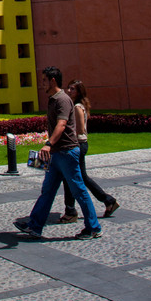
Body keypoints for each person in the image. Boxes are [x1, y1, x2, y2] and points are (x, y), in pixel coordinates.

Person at [13, 66, 102, 240]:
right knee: (47, 190)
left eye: (44, 80)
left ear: (53, 80)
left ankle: (93, 227)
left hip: (67, 152)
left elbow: (61, 125)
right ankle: (35, 225)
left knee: (79, 190)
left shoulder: (62, 100)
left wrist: (48, 144)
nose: (42, 84)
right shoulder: (53, 99)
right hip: (56, 154)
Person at [59, 80, 119, 223]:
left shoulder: (78, 107)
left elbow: (79, 129)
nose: (69, 91)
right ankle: (107, 200)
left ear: (79, 91)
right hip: (80, 144)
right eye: (69, 88)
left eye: (72, 89)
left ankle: (71, 211)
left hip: (77, 144)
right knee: (79, 177)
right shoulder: (78, 105)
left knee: (71, 178)